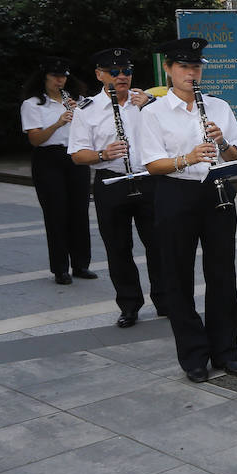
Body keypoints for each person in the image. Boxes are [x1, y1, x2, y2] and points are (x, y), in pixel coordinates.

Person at [136, 37, 237, 383]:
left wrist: (222, 141)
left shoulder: (219, 107)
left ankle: (226, 351)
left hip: (217, 192)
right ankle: (194, 356)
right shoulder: (152, 112)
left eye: (196, 67)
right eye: (183, 67)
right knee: (178, 276)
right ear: (168, 69)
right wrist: (188, 157)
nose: (191, 73)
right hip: (175, 193)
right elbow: (153, 164)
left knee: (222, 274)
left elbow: (234, 155)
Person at [67, 48, 165, 328]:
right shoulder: (86, 111)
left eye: (127, 71)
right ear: (99, 75)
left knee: (159, 244)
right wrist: (103, 155)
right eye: (114, 71)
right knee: (118, 248)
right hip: (111, 182)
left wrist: (150, 103)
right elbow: (77, 155)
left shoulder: (146, 103)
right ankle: (130, 305)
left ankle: (165, 299)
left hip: (148, 180)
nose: (122, 76)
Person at [20, 57, 96, 285]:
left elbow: (93, 130)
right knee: (56, 214)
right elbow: (35, 139)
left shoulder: (79, 101)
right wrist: (58, 123)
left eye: (63, 76)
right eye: (55, 76)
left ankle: (81, 265)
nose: (60, 80)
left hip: (76, 157)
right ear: (44, 78)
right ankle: (60, 268)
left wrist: (80, 115)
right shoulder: (33, 104)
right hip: (48, 159)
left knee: (79, 212)